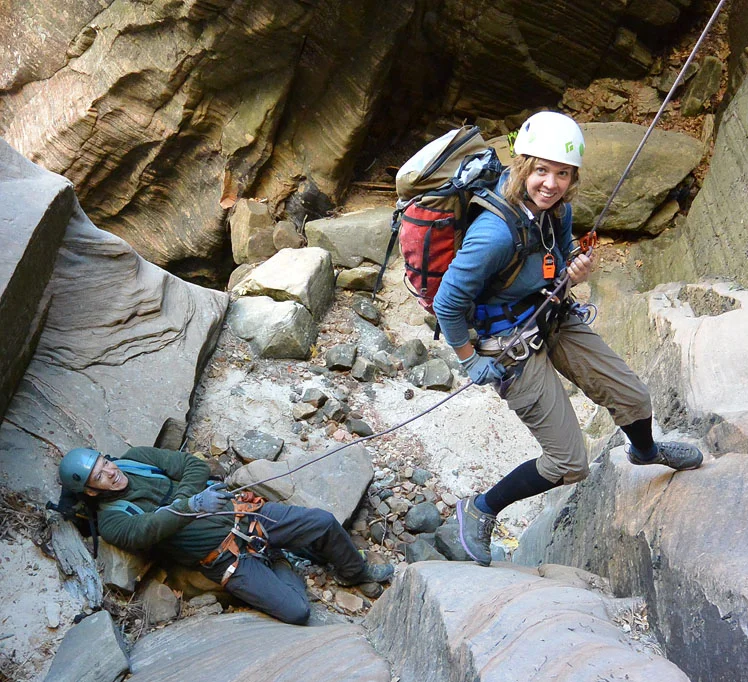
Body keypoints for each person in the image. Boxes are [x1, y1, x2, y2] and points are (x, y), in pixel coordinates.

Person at [433, 111, 704, 566]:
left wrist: (573, 268)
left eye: (562, 173)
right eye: (541, 170)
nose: (550, 183)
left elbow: (555, 260)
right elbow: (447, 303)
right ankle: (480, 509)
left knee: (633, 397)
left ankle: (646, 451)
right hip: (509, 344)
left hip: (551, 315)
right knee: (568, 463)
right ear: (522, 166)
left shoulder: (558, 211)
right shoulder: (494, 233)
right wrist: (467, 358)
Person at [58, 445, 392, 624]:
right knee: (297, 611)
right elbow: (149, 529)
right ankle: (279, 560)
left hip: (245, 516)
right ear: (90, 492)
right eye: (100, 476)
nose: (111, 473)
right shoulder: (113, 522)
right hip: (224, 559)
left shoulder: (136, 460)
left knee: (321, 521)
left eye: (105, 462)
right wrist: (190, 503)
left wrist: (184, 500)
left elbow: (193, 465)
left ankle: (354, 571)